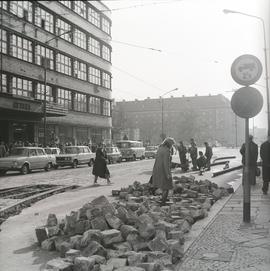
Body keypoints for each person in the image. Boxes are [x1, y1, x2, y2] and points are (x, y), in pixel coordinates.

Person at [152, 137, 175, 206]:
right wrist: (168, 174)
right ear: (169, 144)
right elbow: (166, 163)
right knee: (166, 187)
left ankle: (162, 199)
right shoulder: (167, 150)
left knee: (162, 186)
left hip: (157, 169)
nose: (172, 146)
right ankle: (163, 202)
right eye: (172, 144)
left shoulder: (160, 148)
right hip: (163, 170)